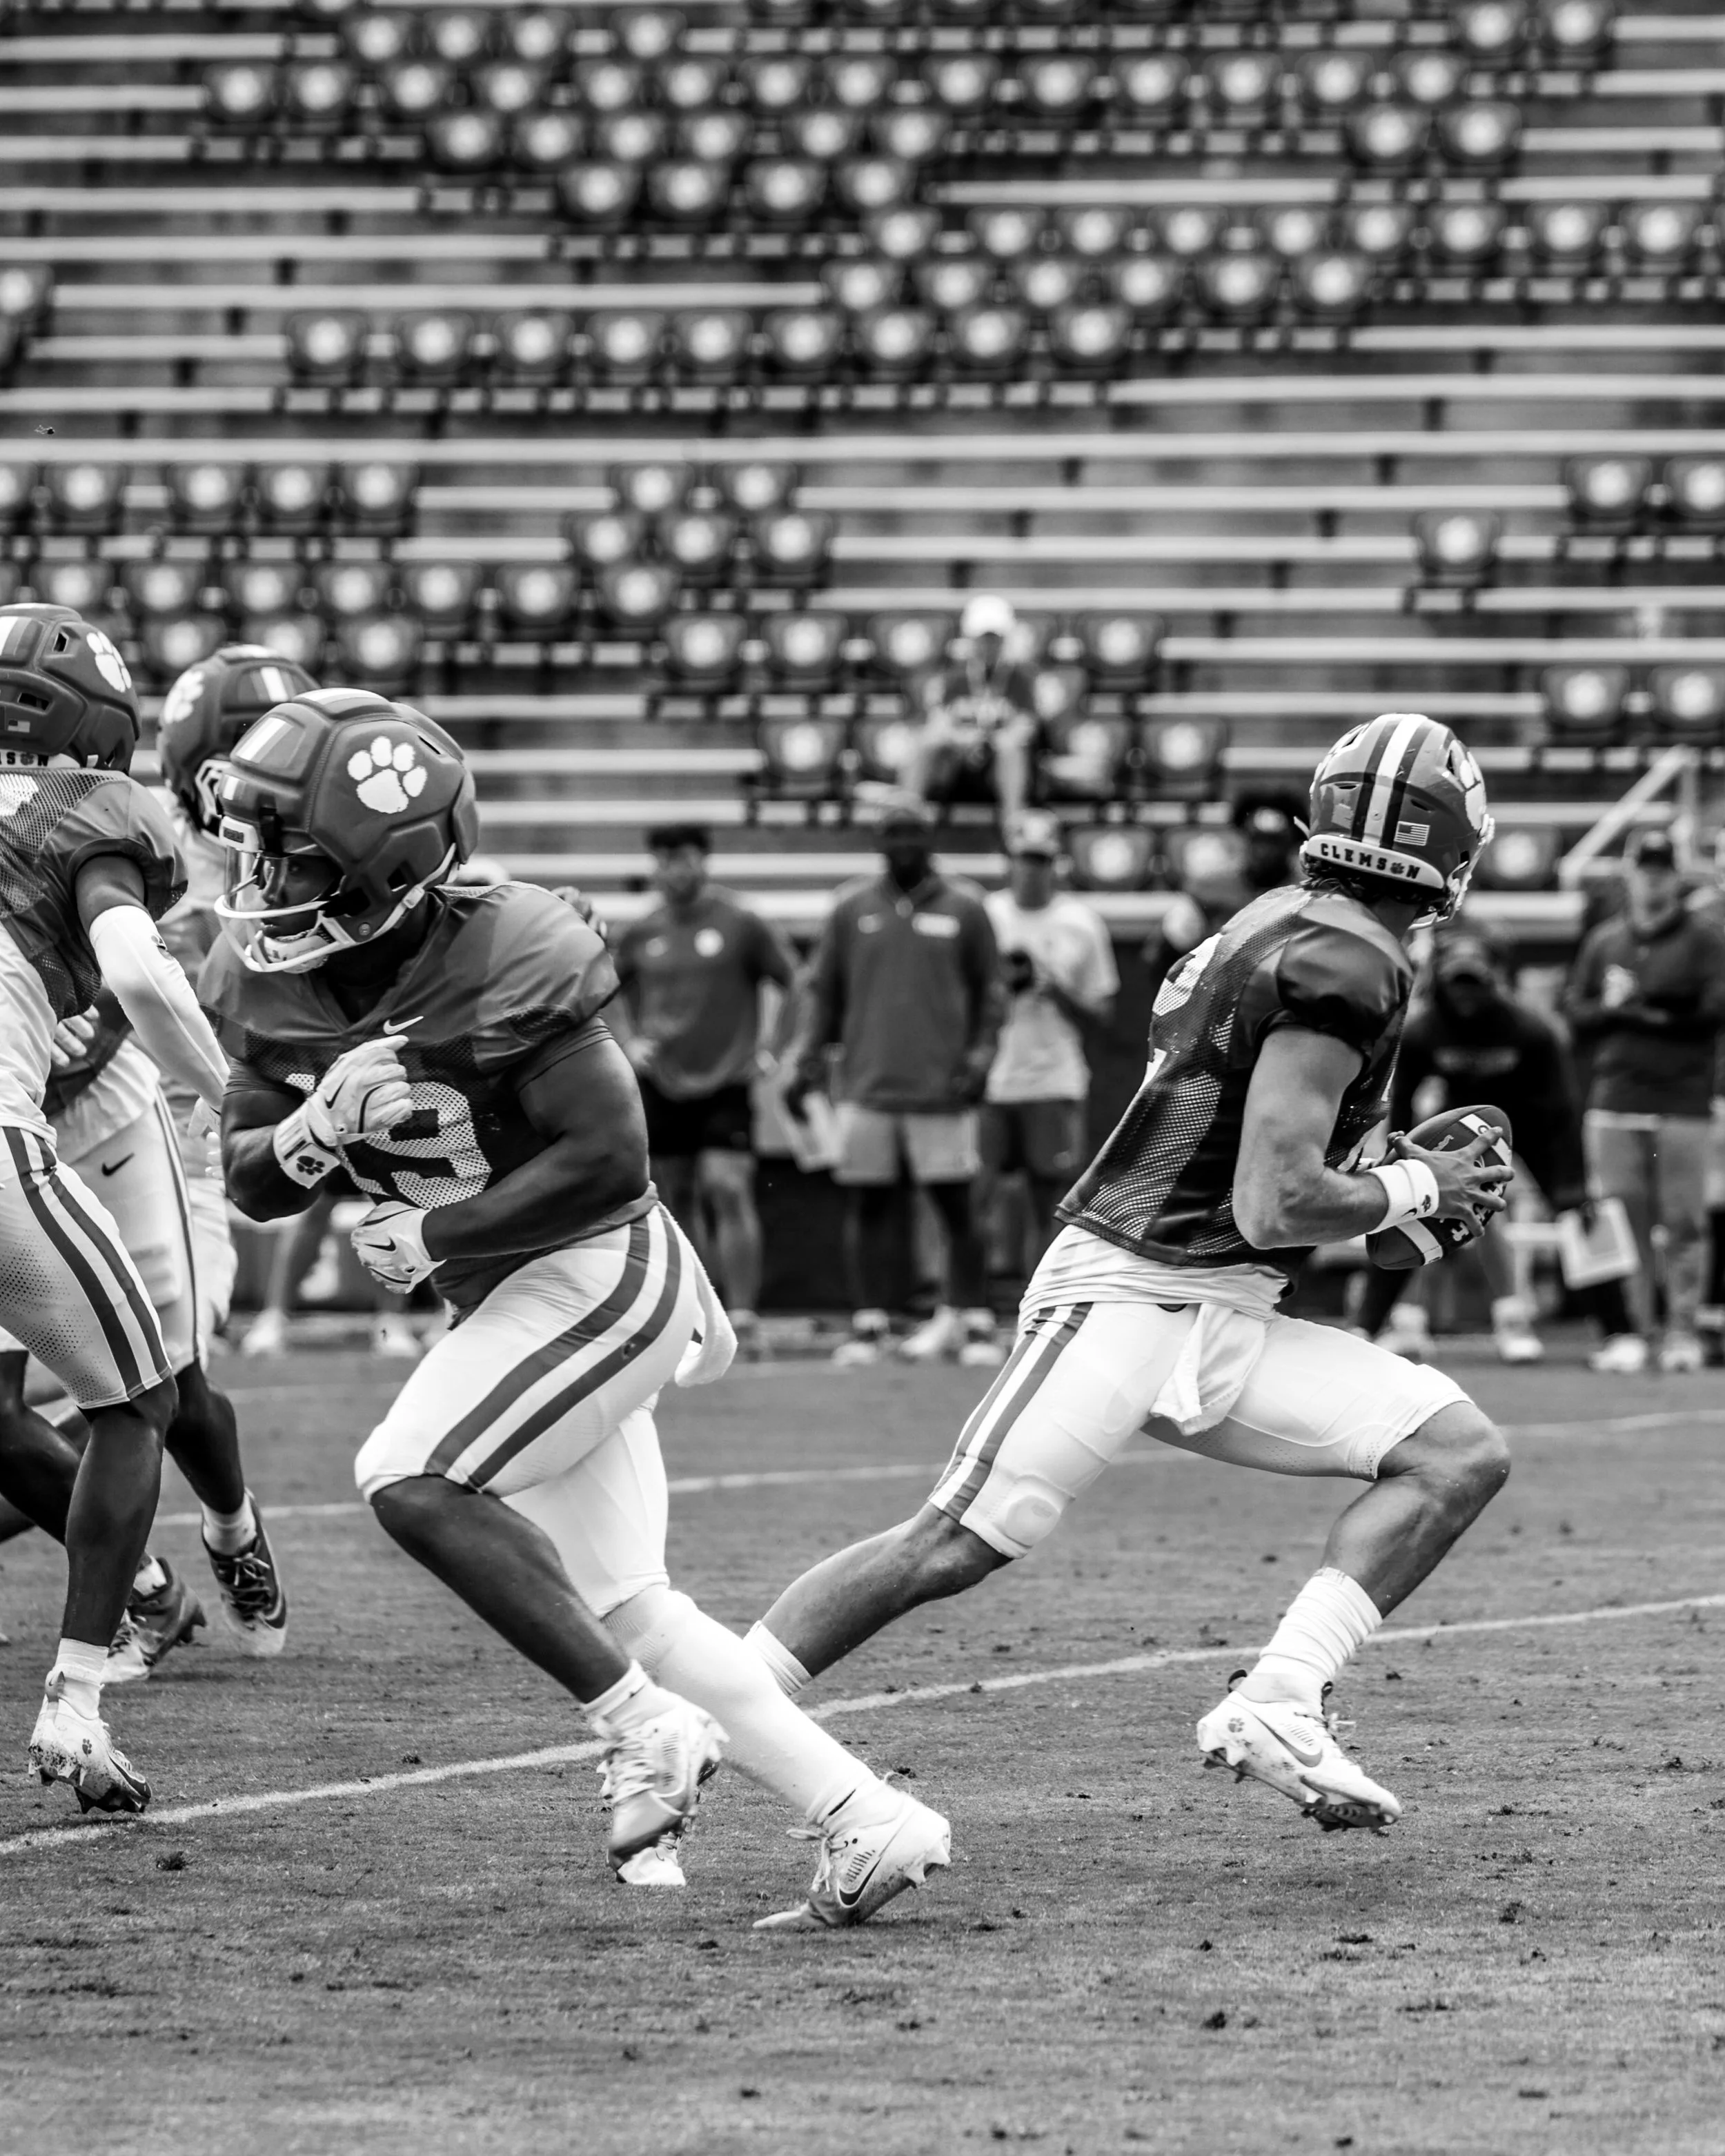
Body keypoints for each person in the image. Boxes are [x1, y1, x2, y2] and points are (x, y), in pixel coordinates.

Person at [208, 687, 947, 1923]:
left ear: (386, 868)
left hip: (600, 1269)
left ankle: (643, 1729)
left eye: (294, 857)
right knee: (630, 1612)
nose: (262, 880)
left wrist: (433, 1232)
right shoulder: (266, 977)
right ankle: (868, 1818)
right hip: (514, 1297)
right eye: (260, 848)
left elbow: (611, 1158)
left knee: (410, 1474)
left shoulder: (507, 950)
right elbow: (250, 1180)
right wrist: (313, 1129)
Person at [749, 715, 1513, 1837]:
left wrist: (1384, 1180)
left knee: (1456, 1456)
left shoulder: (1281, 919)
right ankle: (706, 1714)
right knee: (955, 1540)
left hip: (1223, 1303)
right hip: (1131, 1290)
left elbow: (1263, 1164)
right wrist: (1412, 1188)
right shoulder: (1349, 961)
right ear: (1452, 848)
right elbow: (1274, 1200)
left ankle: (1280, 1700)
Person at [0, 603, 233, 1814]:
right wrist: (225, 1089)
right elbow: (139, 968)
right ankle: (78, 1698)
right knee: (140, 1403)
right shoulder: (91, 811)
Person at [1354, 920, 1635, 1365]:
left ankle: (1621, 1333)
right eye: (1457, 984)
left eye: (1475, 984)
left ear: (1494, 981)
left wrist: (1573, 1182)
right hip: (1465, 1126)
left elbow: (1563, 1109)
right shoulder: (1424, 1030)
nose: (1465, 996)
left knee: (1582, 1210)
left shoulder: (1531, 1030)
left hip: (1534, 1123)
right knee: (1406, 1201)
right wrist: (1402, 1161)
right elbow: (1402, 1103)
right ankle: (1368, 1326)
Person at [787, 798, 1005, 1367]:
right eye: (894, 833)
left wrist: (981, 1056)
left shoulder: (967, 906)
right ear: (878, 842)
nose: (904, 843)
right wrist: (808, 1058)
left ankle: (971, 1318)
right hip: (867, 1082)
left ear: (931, 839)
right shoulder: (850, 907)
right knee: (869, 1205)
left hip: (942, 1085)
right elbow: (825, 993)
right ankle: (870, 1321)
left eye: (914, 833)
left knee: (956, 1206)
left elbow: (991, 992)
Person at [613, 824, 797, 1357]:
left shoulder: (741, 922)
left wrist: (774, 1049)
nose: (677, 869)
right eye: (666, 859)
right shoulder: (643, 930)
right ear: (655, 865)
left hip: (727, 1081)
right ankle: (699, 1316)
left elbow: (797, 981)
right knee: (676, 1199)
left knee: (728, 1186)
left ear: (704, 861)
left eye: (686, 858)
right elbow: (604, 989)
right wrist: (628, 1041)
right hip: (663, 1082)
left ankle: (744, 1315)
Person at [1564, 827, 1725, 1374]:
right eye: (1646, 870)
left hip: (1682, 1099)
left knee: (1684, 1221)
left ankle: (1682, 1329)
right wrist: (1639, 1011)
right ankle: (1629, 1329)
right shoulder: (1606, 940)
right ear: (1631, 874)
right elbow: (1578, 1011)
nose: (1653, 880)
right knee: (1617, 1220)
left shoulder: (1705, 939)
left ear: (1676, 876)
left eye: (1662, 870)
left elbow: (1711, 1011)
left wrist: (1636, 1008)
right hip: (1616, 1097)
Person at [980, 810, 1118, 1264]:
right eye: (1024, 859)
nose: (1031, 870)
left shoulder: (1081, 922)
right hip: (989, 1078)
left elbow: (1104, 1014)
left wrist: (1057, 990)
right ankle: (978, 1295)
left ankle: (1040, 1292)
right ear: (1008, 860)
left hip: (1054, 1078)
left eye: (1040, 860)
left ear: (1055, 863)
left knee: (1053, 1202)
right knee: (976, 1195)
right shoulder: (986, 916)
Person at [901, 595, 1039, 833]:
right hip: (958, 764)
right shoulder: (954, 678)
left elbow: (1026, 726)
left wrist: (994, 740)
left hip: (997, 766)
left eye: (994, 639)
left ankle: (1013, 824)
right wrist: (961, 739)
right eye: (983, 639)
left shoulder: (1021, 679)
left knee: (1011, 750)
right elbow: (938, 723)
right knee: (926, 742)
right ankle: (907, 814)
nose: (989, 646)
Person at [1143, 793, 1303, 991]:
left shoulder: (1308, 893)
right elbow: (1163, 955)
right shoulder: (1209, 890)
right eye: (1257, 839)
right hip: (1220, 998)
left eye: (1274, 841)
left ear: (1292, 843)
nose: (1264, 851)